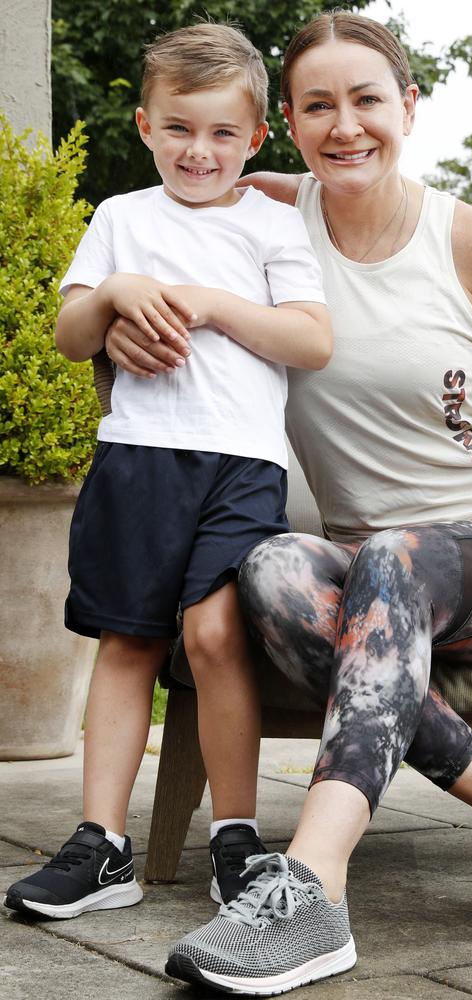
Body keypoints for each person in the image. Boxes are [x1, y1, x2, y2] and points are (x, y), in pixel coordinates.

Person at [97, 12, 472, 995]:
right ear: (287, 123)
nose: (345, 125)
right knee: (267, 567)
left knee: (389, 557)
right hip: (364, 571)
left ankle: (311, 885)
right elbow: (152, 286)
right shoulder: (251, 220)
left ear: (408, 107)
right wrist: (125, 326)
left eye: (366, 99)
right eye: (318, 106)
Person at [3, 22, 331, 922]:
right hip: (137, 460)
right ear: (146, 125)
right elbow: (70, 338)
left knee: (216, 635)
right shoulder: (120, 220)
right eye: (180, 127)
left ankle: (235, 839)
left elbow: (313, 337)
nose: (200, 150)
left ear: (255, 138)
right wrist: (112, 294)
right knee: (127, 642)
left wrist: (214, 305)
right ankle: (102, 846)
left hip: (241, 466)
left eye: (224, 132)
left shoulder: (269, 225)